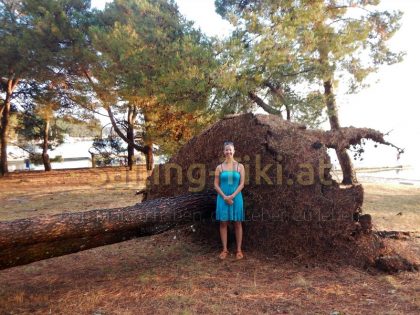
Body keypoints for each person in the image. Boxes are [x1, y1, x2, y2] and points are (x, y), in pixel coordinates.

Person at [214, 141, 245, 260]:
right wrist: (225, 197)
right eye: (226, 150)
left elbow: (242, 184)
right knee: (223, 223)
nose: (228, 152)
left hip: (236, 198)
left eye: (230, 150)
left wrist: (231, 196)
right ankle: (225, 250)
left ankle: (238, 250)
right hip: (222, 198)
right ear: (224, 152)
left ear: (234, 151)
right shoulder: (219, 167)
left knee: (237, 222)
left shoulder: (240, 166)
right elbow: (216, 185)